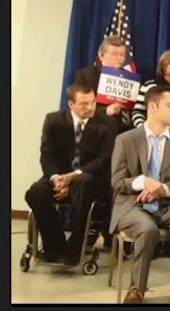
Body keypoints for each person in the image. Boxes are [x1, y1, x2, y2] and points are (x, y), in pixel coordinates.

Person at [108, 86, 170, 304]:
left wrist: (161, 189)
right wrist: (143, 183)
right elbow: (117, 182)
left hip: (166, 204)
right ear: (153, 107)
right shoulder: (125, 140)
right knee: (147, 230)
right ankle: (136, 289)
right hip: (132, 204)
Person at [25, 83, 116, 265]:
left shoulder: (107, 123)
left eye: (93, 102)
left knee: (82, 183)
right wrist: (56, 179)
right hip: (59, 176)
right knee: (34, 193)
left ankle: (76, 245)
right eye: (84, 104)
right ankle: (54, 245)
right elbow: (47, 156)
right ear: (71, 104)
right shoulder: (53, 120)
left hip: (91, 177)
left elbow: (104, 160)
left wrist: (73, 177)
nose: (90, 107)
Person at [73, 36, 134, 135]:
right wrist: (105, 111)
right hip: (95, 131)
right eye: (114, 54)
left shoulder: (130, 78)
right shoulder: (85, 75)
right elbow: (79, 107)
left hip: (123, 133)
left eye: (122, 55)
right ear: (102, 55)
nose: (119, 58)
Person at [131, 49, 170, 144]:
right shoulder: (150, 86)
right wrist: (145, 131)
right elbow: (138, 112)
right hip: (154, 141)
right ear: (163, 66)